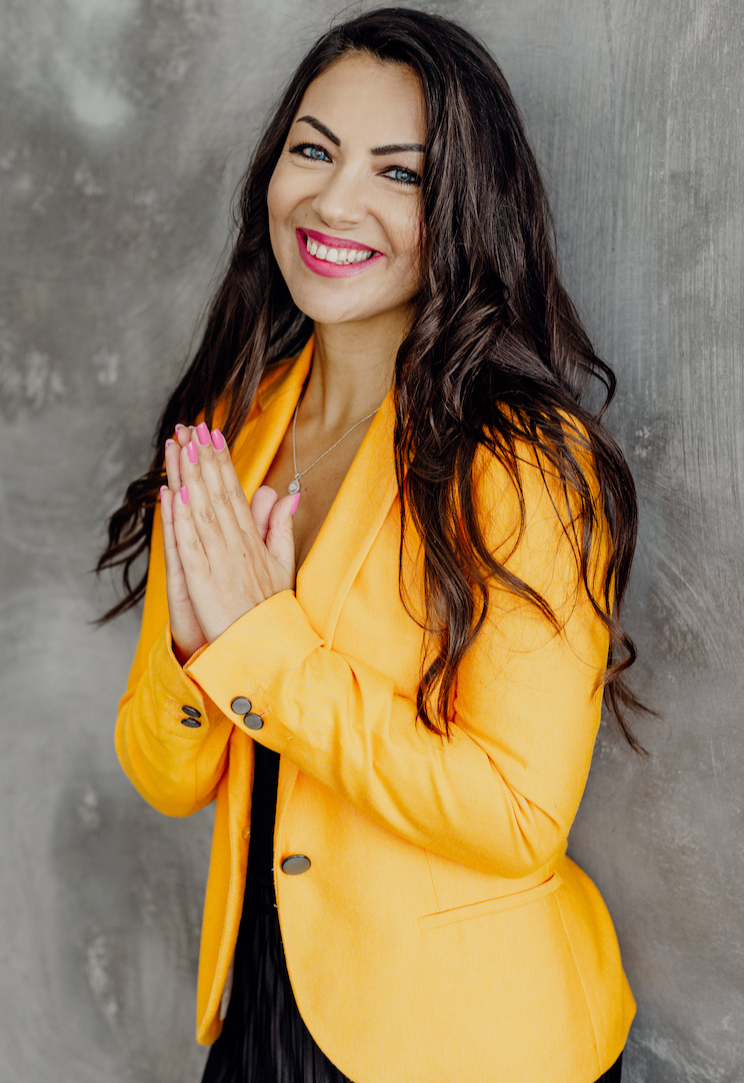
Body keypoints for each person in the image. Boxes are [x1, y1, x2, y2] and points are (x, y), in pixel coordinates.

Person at [98, 8, 646, 1082]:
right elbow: (166, 776)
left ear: (467, 208)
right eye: (314, 151)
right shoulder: (235, 425)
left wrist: (264, 647)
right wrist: (197, 655)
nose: (335, 201)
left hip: (467, 1041)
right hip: (262, 1013)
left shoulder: (525, 462)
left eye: (401, 173)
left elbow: (519, 813)